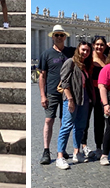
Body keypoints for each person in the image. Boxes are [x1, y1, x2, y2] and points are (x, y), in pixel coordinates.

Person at [38, 25, 75, 165]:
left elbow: (87, 51)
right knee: (49, 120)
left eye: (61, 35)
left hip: (68, 92)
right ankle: (46, 150)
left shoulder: (71, 52)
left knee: (64, 121)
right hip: (52, 92)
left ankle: (62, 148)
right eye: (56, 35)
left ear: (65, 37)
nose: (59, 37)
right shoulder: (46, 54)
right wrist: (43, 95)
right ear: (52, 37)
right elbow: (42, 76)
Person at [54, 42, 93, 170]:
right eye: (83, 50)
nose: (85, 52)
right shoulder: (70, 62)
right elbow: (64, 81)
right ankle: (60, 156)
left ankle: (77, 152)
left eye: (87, 51)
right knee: (66, 126)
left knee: (80, 127)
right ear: (78, 49)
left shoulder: (84, 65)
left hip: (84, 100)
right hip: (71, 99)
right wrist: (70, 99)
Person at [81, 36, 108, 160]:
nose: (99, 47)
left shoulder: (107, 59)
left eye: (102, 45)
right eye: (97, 44)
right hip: (89, 92)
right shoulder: (88, 58)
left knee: (100, 121)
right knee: (85, 120)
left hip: (102, 93)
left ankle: (98, 146)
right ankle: (84, 146)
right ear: (93, 45)